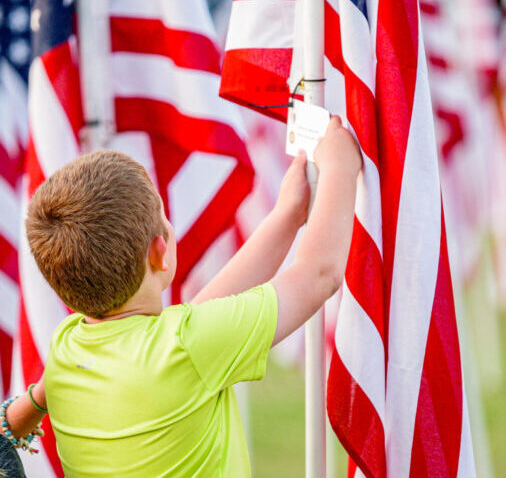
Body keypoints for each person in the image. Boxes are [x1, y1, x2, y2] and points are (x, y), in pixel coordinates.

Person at [5, 116, 361, 477]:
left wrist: (286, 216)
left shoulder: (68, 350)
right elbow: (318, 275)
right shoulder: (188, 348)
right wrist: (338, 166)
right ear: (160, 251)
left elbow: (200, 314)